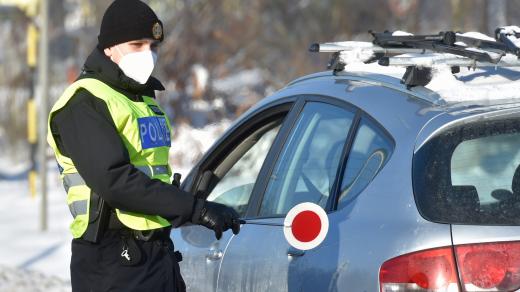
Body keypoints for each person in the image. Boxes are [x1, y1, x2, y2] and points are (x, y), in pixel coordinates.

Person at [46, 0, 241, 291]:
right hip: (111, 261)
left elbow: (152, 175)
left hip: (156, 256)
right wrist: (193, 209)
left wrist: (189, 203)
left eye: (153, 46)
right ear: (110, 48)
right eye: (137, 44)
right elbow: (115, 181)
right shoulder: (83, 103)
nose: (147, 54)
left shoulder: (142, 100)